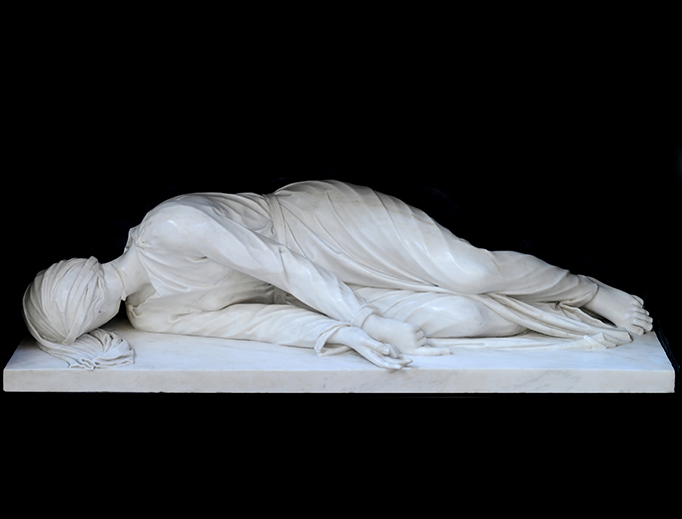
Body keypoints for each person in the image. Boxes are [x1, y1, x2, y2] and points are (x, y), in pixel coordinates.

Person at [23, 180, 653, 370]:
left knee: (468, 271)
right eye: (82, 321)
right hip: (313, 296)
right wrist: (346, 334)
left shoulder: (170, 225)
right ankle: (552, 314)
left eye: (76, 303)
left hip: (317, 227)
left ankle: (592, 291)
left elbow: (280, 262)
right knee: (467, 317)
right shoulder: (153, 314)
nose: (95, 309)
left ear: (77, 275)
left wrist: (367, 319)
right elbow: (263, 323)